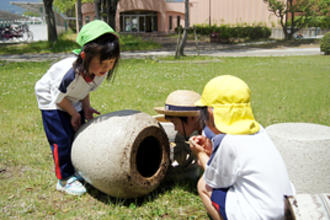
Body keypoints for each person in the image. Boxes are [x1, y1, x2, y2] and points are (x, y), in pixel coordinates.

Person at [189, 75, 294, 220]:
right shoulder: (259, 131)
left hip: (261, 216)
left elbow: (216, 180)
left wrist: (200, 154)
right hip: (285, 209)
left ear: (211, 113)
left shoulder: (231, 142)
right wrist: (211, 150)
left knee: (203, 185)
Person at [35, 20, 120, 196]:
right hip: (52, 100)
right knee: (62, 139)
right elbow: (58, 98)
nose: (107, 68)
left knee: (78, 134)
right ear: (85, 56)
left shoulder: (99, 72)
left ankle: (77, 170)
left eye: (111, 62)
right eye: (103, 63)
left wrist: (86, 107)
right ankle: (64, 179)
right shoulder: (70, 72)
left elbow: (85, 88)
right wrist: (74, 113)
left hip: (70, 98)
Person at [154, 90, 203, 180]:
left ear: (192, 118)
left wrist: (201, 154)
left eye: (175, 123)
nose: (175, 129)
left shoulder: (211, 137)